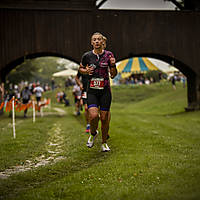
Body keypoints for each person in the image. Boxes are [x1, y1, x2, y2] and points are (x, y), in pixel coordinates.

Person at [79, 32, 117, 152]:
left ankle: (104, 142)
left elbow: (113, 75)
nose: (96, 41)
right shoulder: (87, 56)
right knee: (94, 115)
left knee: (105, 118)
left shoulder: (109, 55)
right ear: (91, 42)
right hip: (92, 91)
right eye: (94, 40)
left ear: (102, 42)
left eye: (99, 39)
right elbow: (80, 69)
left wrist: (113, 65)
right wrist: (86, 71)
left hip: (105, 90)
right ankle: (93, 133)